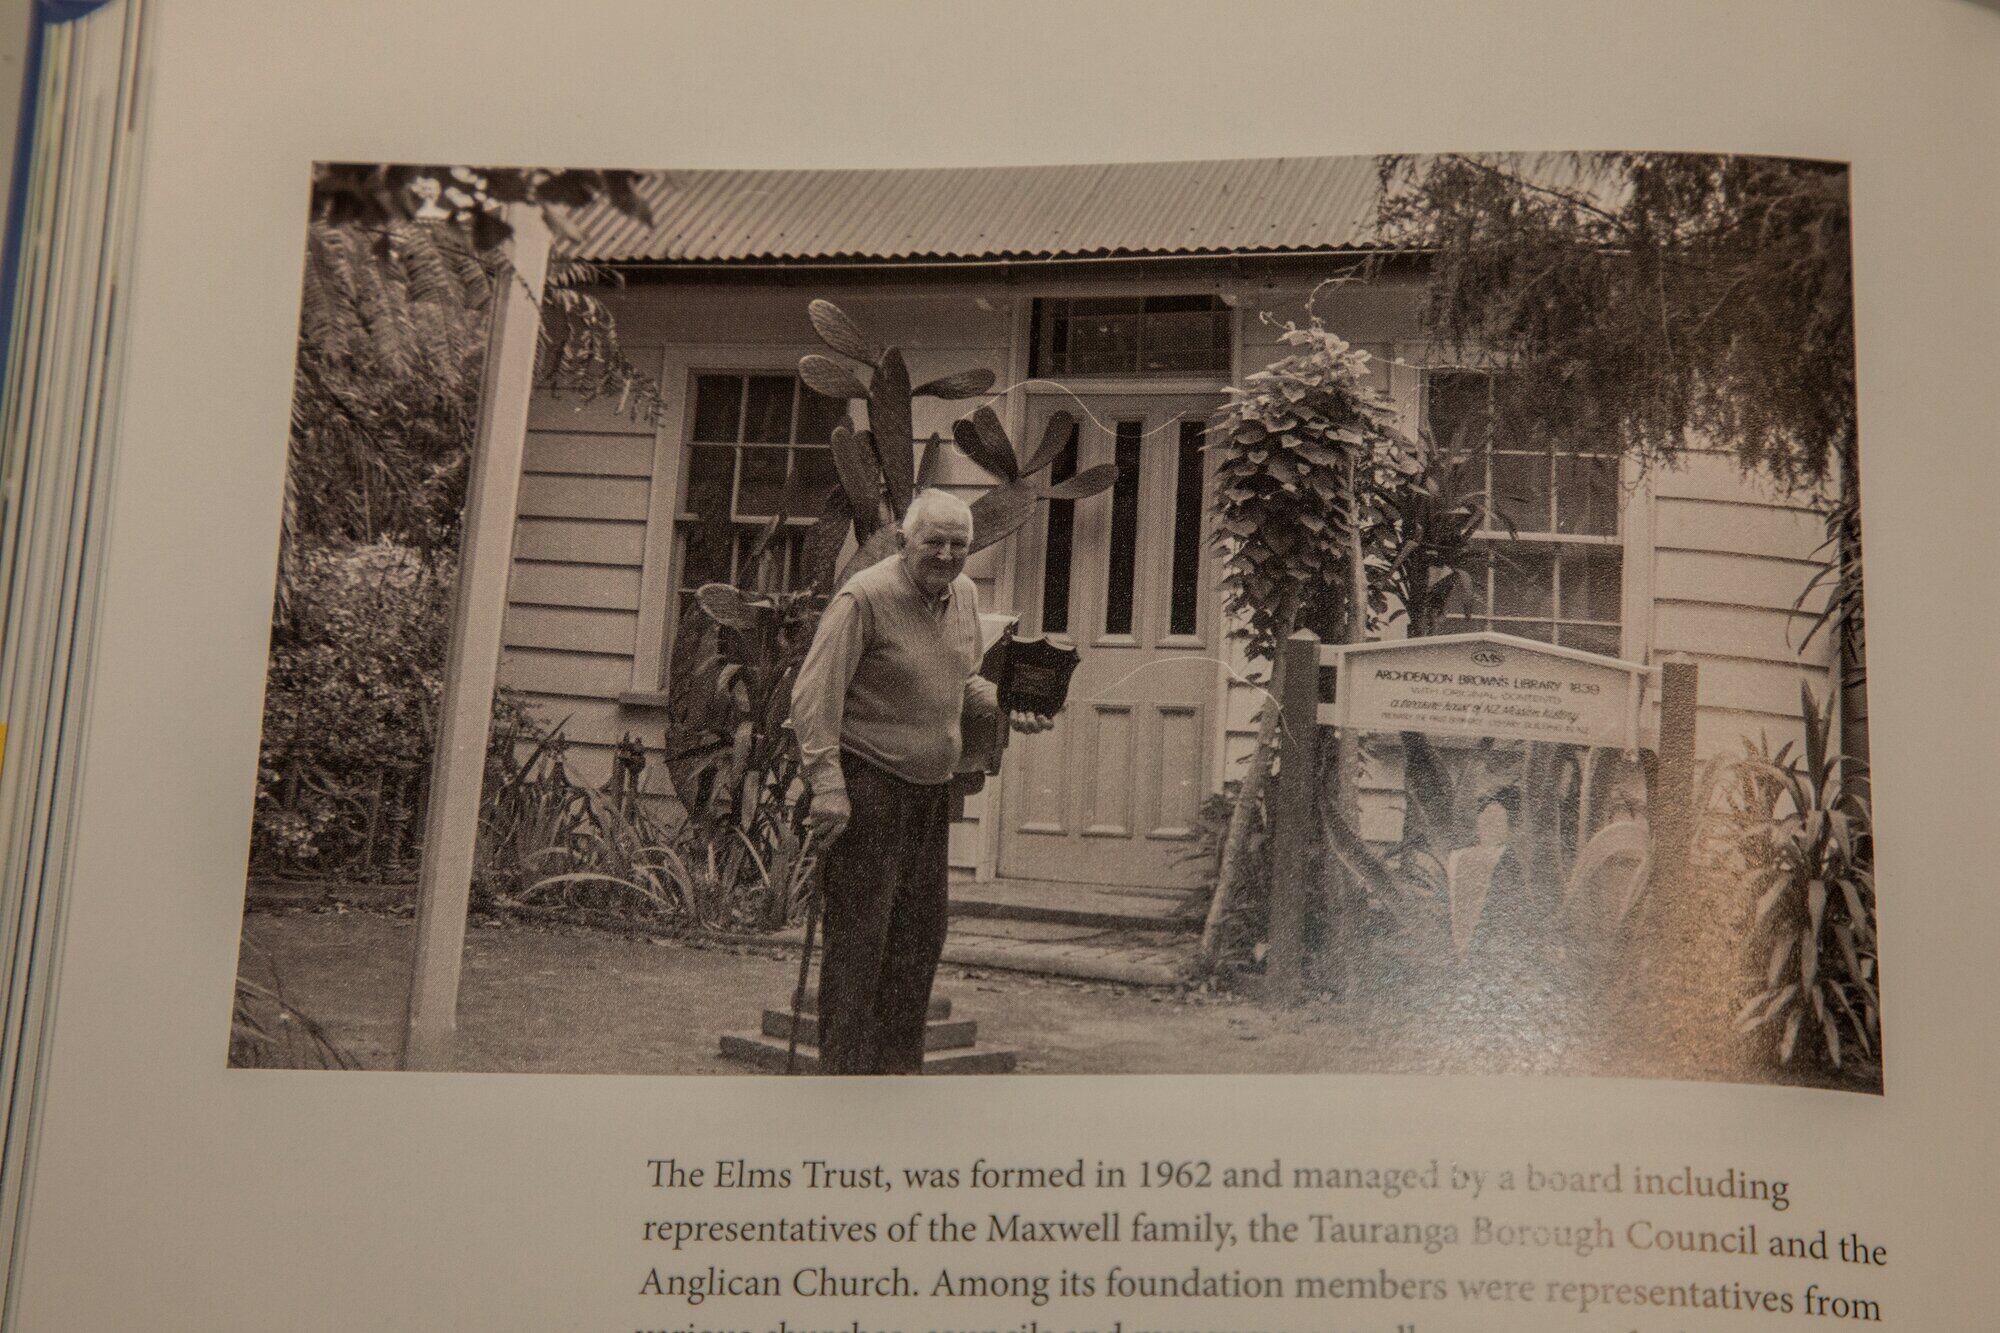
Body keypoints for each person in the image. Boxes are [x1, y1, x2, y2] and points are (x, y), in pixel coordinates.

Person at [789, 489, 1052, 1074]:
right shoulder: (865, 597)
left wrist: (1011, 706)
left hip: (930, 789)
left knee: (917, 938)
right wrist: (828, 786)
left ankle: (897, 1073)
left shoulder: (963, 594)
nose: (947, 554)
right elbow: (813, 696)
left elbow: (961, 683)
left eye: (959, 544)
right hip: (869, 785)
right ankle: (844, 1077)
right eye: (933, 542)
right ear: (907, 541)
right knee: (861, 940)